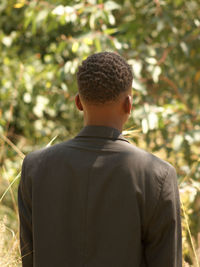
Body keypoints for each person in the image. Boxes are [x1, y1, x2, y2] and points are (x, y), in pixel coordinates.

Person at [18, 52, 182, 267]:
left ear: (78, 102)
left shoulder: (35, 167)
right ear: (128, 105)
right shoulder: (157, 176)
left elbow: (28, 259)